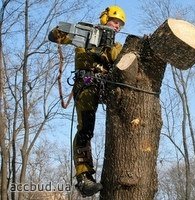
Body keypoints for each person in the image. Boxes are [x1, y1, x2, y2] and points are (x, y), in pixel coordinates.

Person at [48, 5, 126, 197]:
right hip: (87, 84)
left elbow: (122, 62)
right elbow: (54, 36)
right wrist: (71, 30)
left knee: (125, 117)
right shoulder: (85, 36)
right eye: (115, 21)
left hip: (107, 86)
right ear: (105, 18)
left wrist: (109, 48)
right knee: (86, 129)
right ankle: (84, 178)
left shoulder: (115, 46)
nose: (117, 26)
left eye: (120, 24)